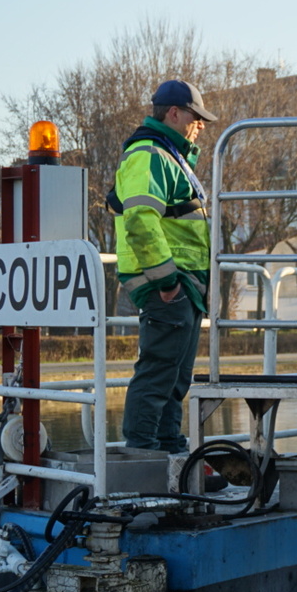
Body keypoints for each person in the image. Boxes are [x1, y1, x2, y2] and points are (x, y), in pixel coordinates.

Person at [114, 79, 217, 453]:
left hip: (180, 282)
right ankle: (142, 452)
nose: (200, 125)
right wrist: (168, 280)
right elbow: (140, 219)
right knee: (160, 370)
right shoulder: (151, 154)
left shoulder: (166, 154)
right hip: (167, 282)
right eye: (196, 116)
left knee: (175, 374)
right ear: (174, 113)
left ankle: (170, 449)